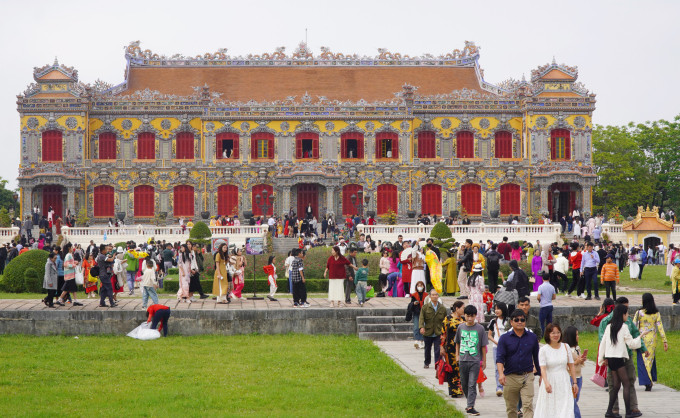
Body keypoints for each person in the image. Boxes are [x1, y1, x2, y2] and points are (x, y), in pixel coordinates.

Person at [598, 297, 648, 417]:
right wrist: (641, 336)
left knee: (615, 385)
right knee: (626, 383)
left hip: (611, 359)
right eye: (626, 313)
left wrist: (602, 359)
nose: (628, 315)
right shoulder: (623, 326)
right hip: (619, 359)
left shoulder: (610, 326)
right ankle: (628, 412)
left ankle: (609, 411)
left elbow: (603, 343)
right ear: (622, 314)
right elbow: (632, 344)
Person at [496, 308, 541, 418]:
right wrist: (501, 374)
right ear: (511, 322)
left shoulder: (532, 337)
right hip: (510, 377)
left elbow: (537, 357)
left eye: (522, 319)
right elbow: (500, 358)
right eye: (516, 320)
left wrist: (541, 375)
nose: (520, 322)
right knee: (511, 409)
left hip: (527, 376)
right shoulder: (504, 338)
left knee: (528, 405)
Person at [534, 323, 578, 418]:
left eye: (558, 332)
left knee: (565, 407)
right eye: (553, 333)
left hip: (564, 380)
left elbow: (571, 366)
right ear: (548, 334)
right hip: (550, 380)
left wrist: (574, 382)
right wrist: (546, 383)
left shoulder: (565, 347)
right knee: (550, 407)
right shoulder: (544, 350)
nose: (556, 335)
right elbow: (543, 368)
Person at [455, 304, 488, 416]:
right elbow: (457, 342)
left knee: (472, 383)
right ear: (464, 315)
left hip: (475, 360)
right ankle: (469, 402)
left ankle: (470, 406)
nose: (470, 318)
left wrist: (484, 360)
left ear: (475, 316)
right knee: (464, 383)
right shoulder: (461, 327)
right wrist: (457, 355)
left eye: (472, 316)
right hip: (463, 360)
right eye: (468, 316)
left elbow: (483, 346)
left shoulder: (480, 328)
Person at [633, 293, 669, 391]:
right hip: (652, 339)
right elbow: (660, 327)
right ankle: (650, 381)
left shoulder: (639, 313)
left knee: (642, 360)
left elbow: (633, 326)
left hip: (641, 338)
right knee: (650, 360)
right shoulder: (656, 313)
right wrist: (664, 341)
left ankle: (647, 381)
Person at [440, 301, 465, 398]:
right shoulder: (448, 319)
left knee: (461, 368)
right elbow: (443, 333)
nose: (464, 309)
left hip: (462, 347)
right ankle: (454, 390)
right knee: (452, 368)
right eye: (462, 308)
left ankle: (462, 388)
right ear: (457, 308)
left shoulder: (464, 319)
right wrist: (441, 346)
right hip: (450, 348)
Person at [419, 289, 447, 369]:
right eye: (433, 295)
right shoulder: (425, 307)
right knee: (427, 349)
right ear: (429, 296)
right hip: (428, 331)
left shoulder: (442, 308)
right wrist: (421, 327)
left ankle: (437, 363)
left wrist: (445, 330)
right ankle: (427, 362)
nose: (435, 296)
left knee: (438, 349)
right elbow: (421, 318)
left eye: (436, 295)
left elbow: (445, 320)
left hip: (438, 331)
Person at [563, 326, 587, 418]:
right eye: (576, 335)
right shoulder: (565, 349)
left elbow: (579, 363)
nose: (578, 336)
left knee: (575, 400)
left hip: (579, 377)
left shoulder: (577, 348)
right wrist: (576, 362)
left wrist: (582, 360)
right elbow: (565, 365)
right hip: (570, 377)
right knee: (572, 401)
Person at [487, 301, 509, 397]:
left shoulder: (509, 320)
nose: (496, 311)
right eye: (495, 309)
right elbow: (489, 335)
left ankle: (508, 386)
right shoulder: (493, 321)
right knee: (497, 368)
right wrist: (497, 343)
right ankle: (499, 387)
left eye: (498, 309)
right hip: (497, 347)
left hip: (508, 347)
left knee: (508, 367)